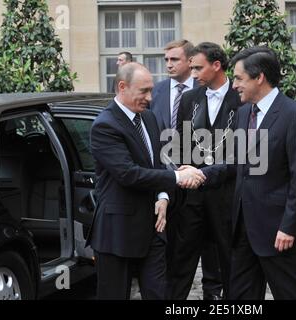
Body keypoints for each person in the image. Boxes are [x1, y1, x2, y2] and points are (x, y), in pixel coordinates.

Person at [198, 46, 296, 299]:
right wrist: (202, 174)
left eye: (239, 78)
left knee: (292, 294)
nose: (234, 85)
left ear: (259, 77)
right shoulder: (243, 114)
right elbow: (238, 163)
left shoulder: (295, 115)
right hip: (243, 229)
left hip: (278, 232)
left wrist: (288, 227)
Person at [87, 62, 205, 300]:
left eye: (151, 90)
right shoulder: (105, 125)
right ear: (122, 87)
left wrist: (163, 196)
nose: (150, 98)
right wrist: (178, 177)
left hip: (154, 228)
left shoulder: (149, 118)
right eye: (144, 91)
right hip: (117, 232)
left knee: (159, 294)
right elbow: (128, 174)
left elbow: (158, 163)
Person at [167, 42, 242, 300]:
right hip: (193, 196)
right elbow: (179, 143)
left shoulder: (241, 97)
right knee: (181, 259)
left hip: (229, 195)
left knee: (230, 260)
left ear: (217, 65)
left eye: (198, 68)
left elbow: (245, 154)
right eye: (192, 68)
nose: (194, 73)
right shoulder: (189, 99)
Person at [149, 39, 223, 300]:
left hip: (216, 186)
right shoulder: (156, 92)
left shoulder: (216, 92)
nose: (168, 65)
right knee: (179, 257)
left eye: (175, 60)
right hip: (177, 187)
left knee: (216, 258)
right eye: (166, 60)